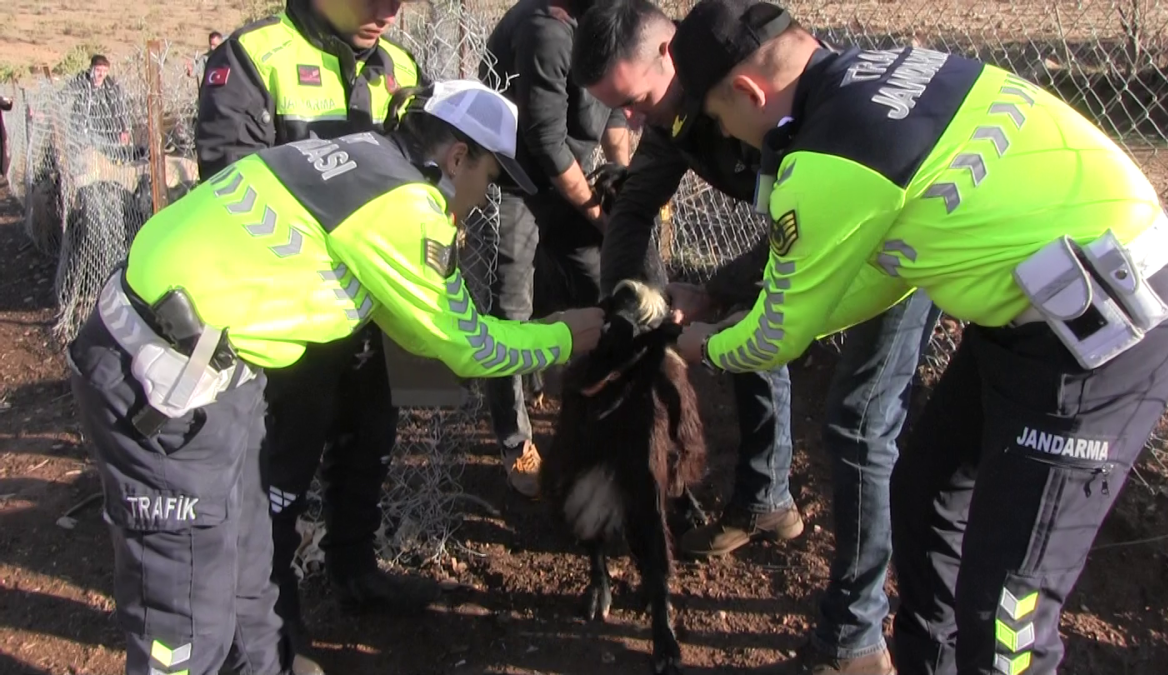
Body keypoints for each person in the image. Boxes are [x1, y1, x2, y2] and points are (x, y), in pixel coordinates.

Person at [666, 1, 1168, 674]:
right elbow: (885, 277)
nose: (730, 136)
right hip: (1035, 306)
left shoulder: (826, 161)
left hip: (1105, 332)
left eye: (719, 118)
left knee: (1009, 609)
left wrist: (703, 346)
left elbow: (775, 337)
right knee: (924, 494)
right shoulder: (896, 67)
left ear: (748, 91)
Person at [67, 78, 605, 675]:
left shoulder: (356, 157)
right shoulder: (406, 208)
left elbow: (410, 322)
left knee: (249, 568)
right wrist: (564, 335)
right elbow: (468, 346)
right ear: (458, 158)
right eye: (491, 179)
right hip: (162, 387)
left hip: (207, 363)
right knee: (187, 614)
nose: (484, 198)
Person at [571, 2, 939, 671]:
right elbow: (632, 209)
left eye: (633, 101)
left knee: (859, 424)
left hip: (889, 241)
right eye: (614, 111)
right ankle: (766, 498)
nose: (627, 123)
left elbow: (819, 223)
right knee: (739, 327)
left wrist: (716, 289)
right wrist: (627, 306)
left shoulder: (776, 94)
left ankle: (856, 636)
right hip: (812, 230)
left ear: (671, 56)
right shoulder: (673, 115)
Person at [194, 0, 431, 669]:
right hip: (290, 318)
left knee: (369, 441)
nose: (386, 12)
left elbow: (423, 173)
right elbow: (228, 184)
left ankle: (355, 566)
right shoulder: (252, 56)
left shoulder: (401, 66)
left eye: (397, 0)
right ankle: (273, 613)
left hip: (371, 309)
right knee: (280, 467)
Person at [478, 0, 632, 498]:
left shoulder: (600, 23)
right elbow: (544, 139)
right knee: (510, 306)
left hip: (567, 174)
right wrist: (599, 214)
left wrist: (621, 187)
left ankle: (600, 416)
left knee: (599, 289)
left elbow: (609, 113)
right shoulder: (546, 29)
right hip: (513, 176)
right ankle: (514, 440)